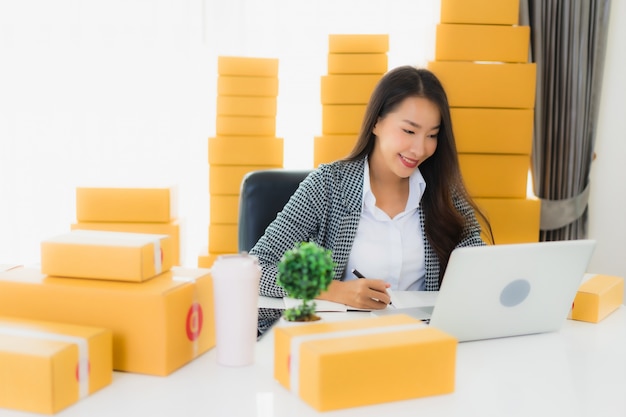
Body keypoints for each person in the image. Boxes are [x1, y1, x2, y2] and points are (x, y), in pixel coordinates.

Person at [251, 65, 492, 333]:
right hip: (340, 344)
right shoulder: (328, 185)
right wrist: (333, 290)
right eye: (409, 131)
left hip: (420, 344)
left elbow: (479, 269)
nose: (420, 148)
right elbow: (256, 268)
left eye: (432, 135)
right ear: (377, 122)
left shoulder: (443, 194)